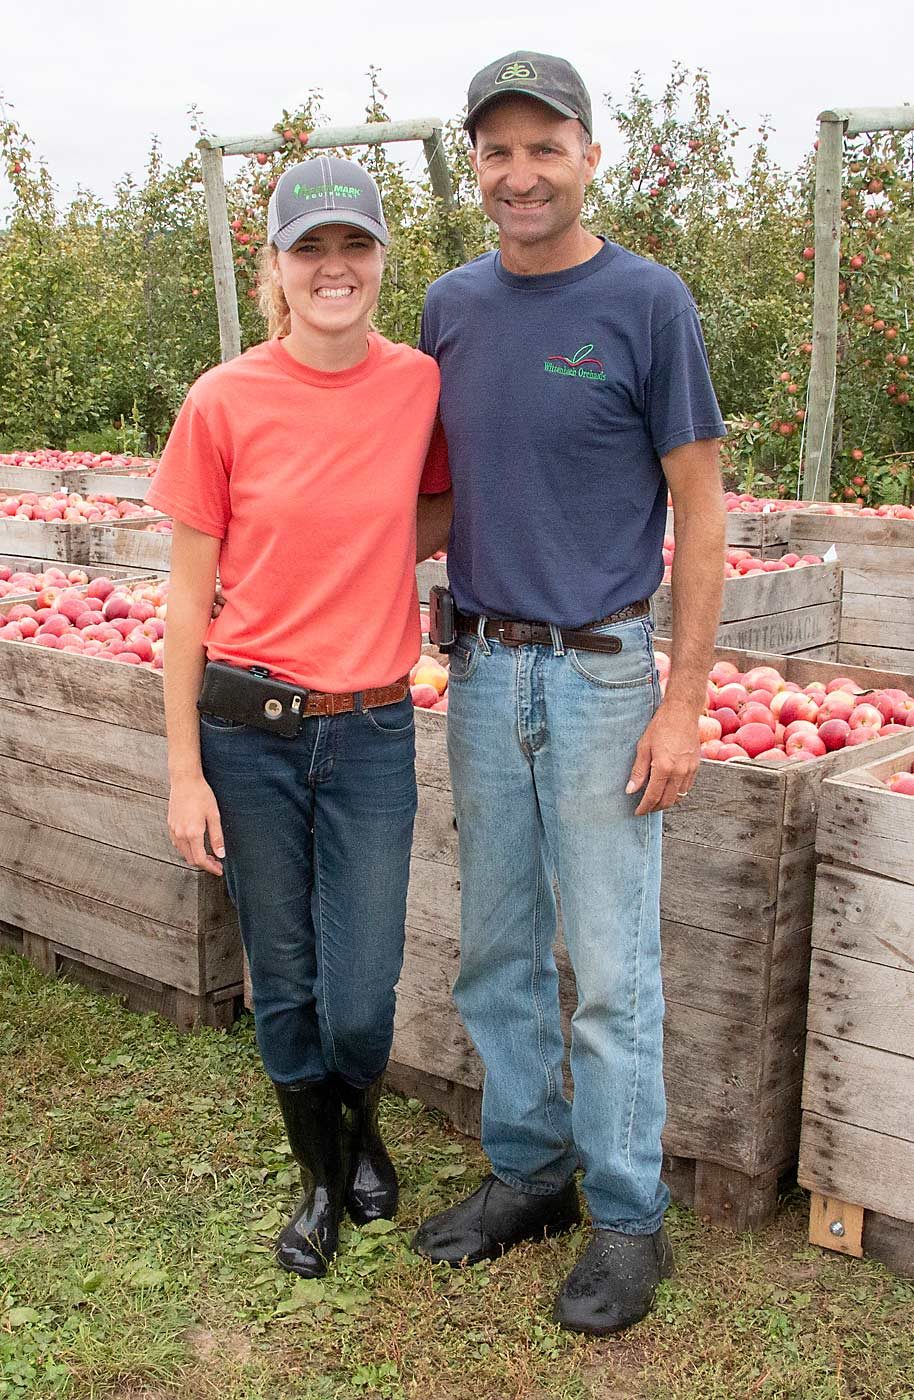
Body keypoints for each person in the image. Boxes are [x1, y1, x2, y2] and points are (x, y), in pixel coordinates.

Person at [411, 52, 727, 1335]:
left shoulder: (647, 303)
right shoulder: (449, 306)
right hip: (480, 668)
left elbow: (700, 509)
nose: (520, 172)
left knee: (608, 966)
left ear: (590, 155)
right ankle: (529, 1171)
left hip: (601, 674)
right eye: (497, 150)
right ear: (474, 165)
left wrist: (685, 698)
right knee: (494, 949)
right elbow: (435, 496)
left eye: (545, 147)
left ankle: (626, 1213)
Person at [147, 156, 451, 1280]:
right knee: (282, 973)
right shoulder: (221, 400)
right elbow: (185, 602)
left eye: (353, 246)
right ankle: (323, 1175)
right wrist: (184, 771)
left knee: (362, 989)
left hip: (369, 728)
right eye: (308, 248)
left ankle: (359, 1114)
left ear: (379, 260)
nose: (334, 268)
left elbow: (439, 502)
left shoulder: (418, 383)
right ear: (273, 265)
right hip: (247, 727)